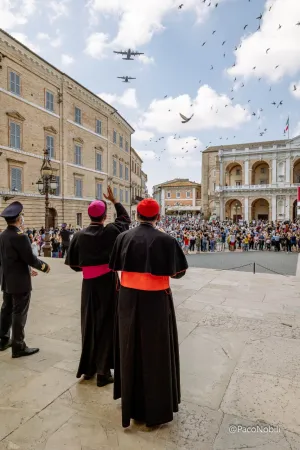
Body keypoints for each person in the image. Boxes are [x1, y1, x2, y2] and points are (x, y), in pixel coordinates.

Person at [109, 198, 188, 428]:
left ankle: (130, 402)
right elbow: (178, 273)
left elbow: (115, 266)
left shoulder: (122, 237)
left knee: (129, 347)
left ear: (137, 216)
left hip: (127, 298)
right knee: (156, 352)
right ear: (158, 217)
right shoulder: (165, 239)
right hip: (155, 301)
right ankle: (155, 409)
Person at [65, 187, 130, 387]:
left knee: (89, 324)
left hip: (89, 284)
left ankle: (88, 368)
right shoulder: (111, 231)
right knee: (107, 325)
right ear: (104, 216)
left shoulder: (79, 236)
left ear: (89, 215)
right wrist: (115, 201)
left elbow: (75, 265)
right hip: (108, 284)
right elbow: (125, 220)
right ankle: (103, 372)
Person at [0, 201, 50, 357]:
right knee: (19, 312)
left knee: (6, 310)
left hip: (7, 279)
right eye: (21, 216)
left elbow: (8, 259)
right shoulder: (20, 237)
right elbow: (30, 258)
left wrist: (26, 270)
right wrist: (44, 267)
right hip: (20, 282)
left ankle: (3, 340)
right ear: (18, 218)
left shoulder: (3, 235)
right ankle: (18, 346)